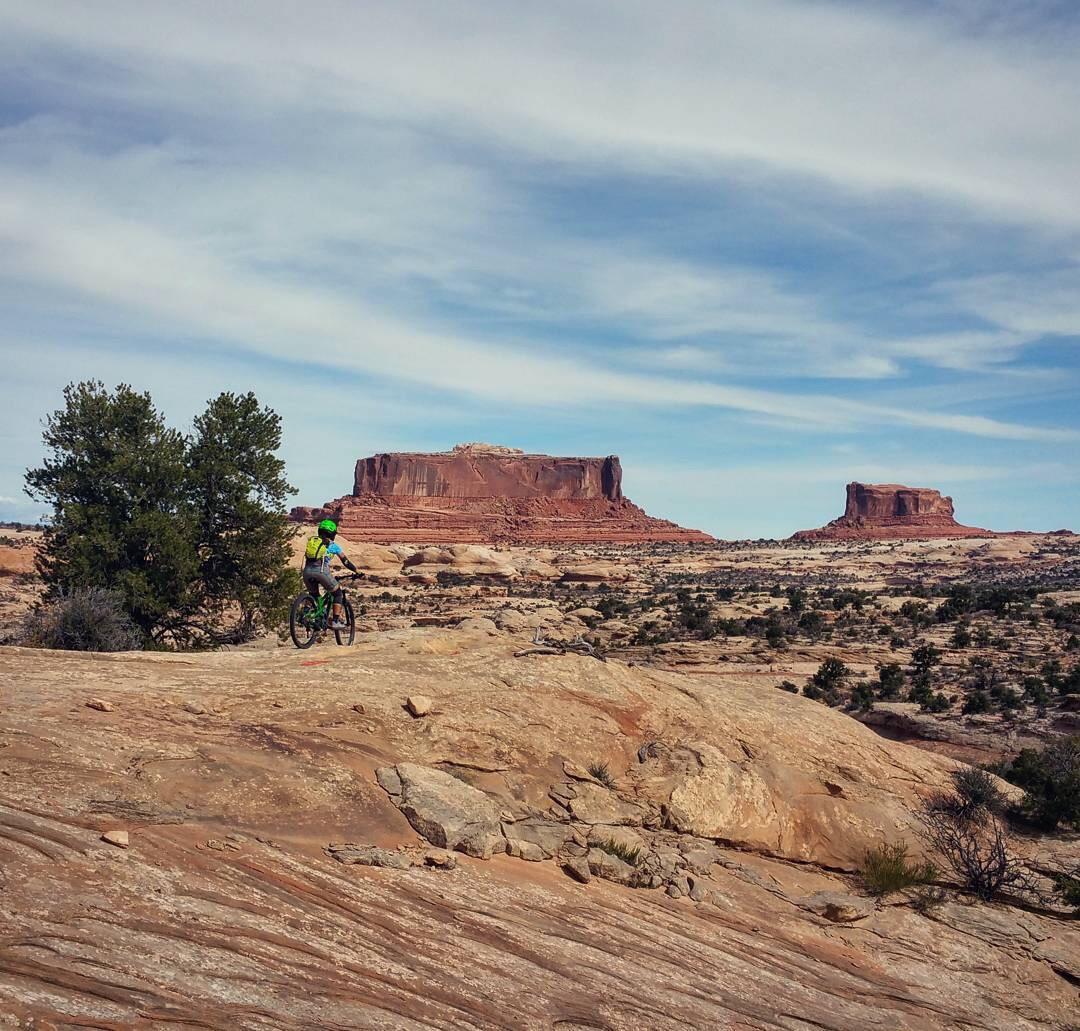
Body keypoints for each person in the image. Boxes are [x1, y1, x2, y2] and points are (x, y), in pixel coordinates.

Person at [303, 519, 361, 629]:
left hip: (306, 572)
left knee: (314, 595)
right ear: (332, 534)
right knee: (337, 593)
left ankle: (307, 614)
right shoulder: (333, 546)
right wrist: (356, 571)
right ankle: (335, 621)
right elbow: (345, 561)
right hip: (321, 572)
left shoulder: (312, 541)